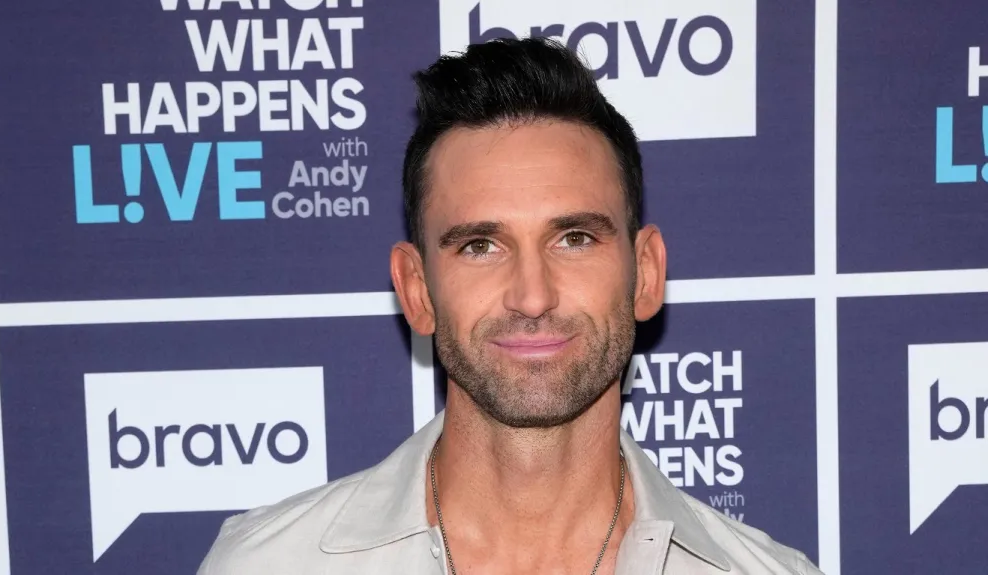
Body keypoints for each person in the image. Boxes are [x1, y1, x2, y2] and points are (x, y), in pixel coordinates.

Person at [197, 37, 824, 575]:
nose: (533, 296)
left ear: (646, 274)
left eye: (574, 239)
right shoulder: (268, 564)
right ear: (416, 290)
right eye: (479, 245)